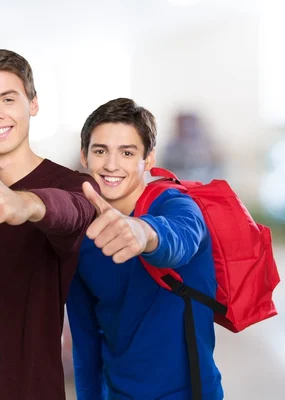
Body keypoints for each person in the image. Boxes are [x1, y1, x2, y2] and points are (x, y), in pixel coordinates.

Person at [0, 48, 98, 400]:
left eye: (8, 98)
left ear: (33, 103)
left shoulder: (70, 185)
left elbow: (73, 212)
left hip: (31, 386)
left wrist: (25, 203)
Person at [67, 98, 223, 399]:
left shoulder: (177, 205)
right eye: (100, 151)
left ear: (149, 160)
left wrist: (143, 232)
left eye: (127, 153)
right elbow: (85, 345)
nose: (111, 165)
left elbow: (180, 239)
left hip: (190, 393)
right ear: (84, 157)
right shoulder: (82, 236)